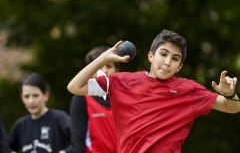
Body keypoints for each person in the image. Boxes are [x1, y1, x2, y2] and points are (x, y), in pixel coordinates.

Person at [67, 29, 240, 153]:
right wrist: (101, 59)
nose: (167, 62)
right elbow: (74, 87)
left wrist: (229, 94)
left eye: (174, 59)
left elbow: (232, 107)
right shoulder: (121, 81)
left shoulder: (189, 89)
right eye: (163, 54)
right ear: (151, 56)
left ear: (179, 66)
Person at [70, 46, 118, 153]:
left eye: (109, 66)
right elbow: (78, 141)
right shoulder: (81, 99)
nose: (105, 70)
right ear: (91, 71)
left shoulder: (125, 97)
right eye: (100, 67)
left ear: (117, 70)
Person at [9, 73, 72, 153]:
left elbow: (79, 142)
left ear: (46, 95)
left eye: (35, 95)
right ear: (21, 97)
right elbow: (6, 148)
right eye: (26, 96)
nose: (31, 101)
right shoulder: (19, 125)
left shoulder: (59, 118)